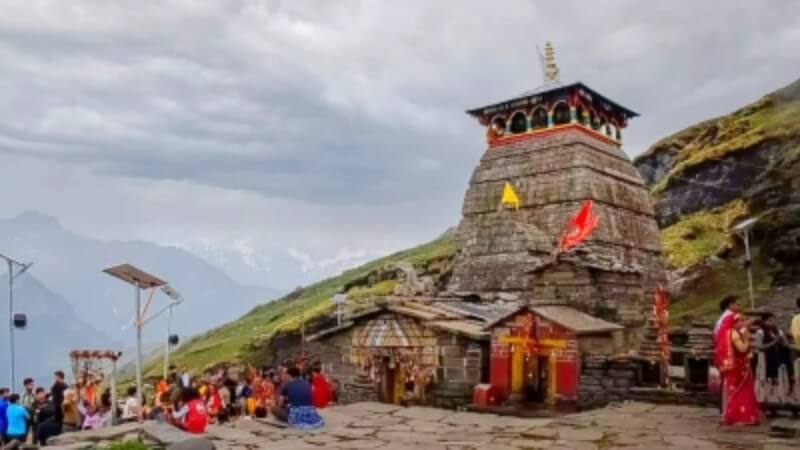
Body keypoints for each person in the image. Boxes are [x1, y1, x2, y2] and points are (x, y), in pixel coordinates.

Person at [719, 313, 761, 425]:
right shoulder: (734, 334)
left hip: (733, 366)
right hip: (739, 367)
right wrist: (747, 339)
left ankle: (736, 414)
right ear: (735, 323)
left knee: (733, 391)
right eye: (740, 321)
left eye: (742, 321)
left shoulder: (728, 333)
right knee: (741, 391)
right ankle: (741, 416)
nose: (742, 323)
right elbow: (742, 349)